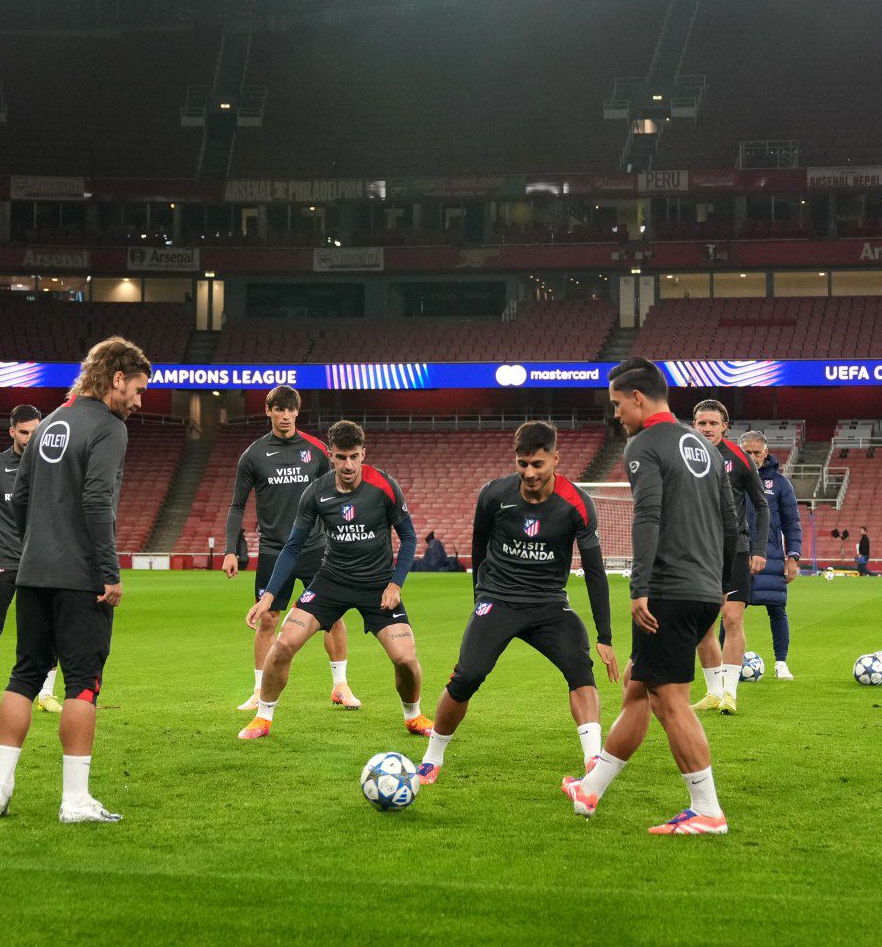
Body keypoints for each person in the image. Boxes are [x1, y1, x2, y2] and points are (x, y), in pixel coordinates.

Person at [561, 358, 737, 835]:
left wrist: (640, 586)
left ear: (637, 398)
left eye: (618, 403)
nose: (616, 413)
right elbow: (730, 521)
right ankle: (590, 788)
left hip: (668, 589)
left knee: (668, 699)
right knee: (637, 685)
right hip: (703, 588)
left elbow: (648, 515)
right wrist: (720, 584)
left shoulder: (644, 445)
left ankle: (707, 811)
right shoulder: (706, 447)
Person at [0, 337, 148, 824]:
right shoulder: (110, 427)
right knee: (82, 683)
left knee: (24, 674)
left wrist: (39, 544)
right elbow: (98, 502)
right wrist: (109, 572)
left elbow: (19, 498)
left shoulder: (50, 422)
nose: (140, 401)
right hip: (82, 578)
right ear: (116, 379)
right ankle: (75, 800)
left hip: (33, 572)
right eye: (138, 389)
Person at [417, 421, 616, 784]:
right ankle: (432, 757)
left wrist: (605, 636)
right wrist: (480, 597)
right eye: (522, 463)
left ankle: (593, 760)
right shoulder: (494, 494)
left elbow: (594, 570)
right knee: (467, 676)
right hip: (499, 599)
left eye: (538, 464)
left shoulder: (577, 503)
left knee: (580, 669)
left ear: (555, 459)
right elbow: (479, 545)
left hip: (549, 603)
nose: (529, 473)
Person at [239, 420, 431, 740]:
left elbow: (409, 537)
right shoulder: (316, 492)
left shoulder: (384, 486)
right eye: (341, 457)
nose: (348, 465)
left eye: (354, 456)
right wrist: (269, 595)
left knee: (406, 659)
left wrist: (395, 584)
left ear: (363, 454)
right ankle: (263, 717)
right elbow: (293, 546)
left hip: (377, 585)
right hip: (331, 581)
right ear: (330, 456)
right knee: (284, 644)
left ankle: (414, 716)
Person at [222, 385, 358, 711]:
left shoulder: (315, 450)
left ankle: (340, 685)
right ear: (268, 411)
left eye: (291, 409)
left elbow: (336, 495)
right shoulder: (253, 455)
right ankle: (259, 690)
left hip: (315, 547)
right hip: (273, 549)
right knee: (268, 619)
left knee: (332, 616)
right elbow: (237, 505)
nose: (285, 415)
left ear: (298, 411)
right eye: (279, 409)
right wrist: (229, 549)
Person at [0, 404, 63, 715]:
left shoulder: (53, 466)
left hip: (42, 562)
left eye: (36, 431)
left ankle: (46, 694)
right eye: (24, 432)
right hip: (3, 562)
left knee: (50, 630)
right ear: (12, 432)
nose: (30, 437)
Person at [689, 399, 766, 714]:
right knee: (703, 625)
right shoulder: (682, 457)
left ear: (725, 426)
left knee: (732, 618)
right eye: (702, 423)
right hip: (696, 551)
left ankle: (730, 694)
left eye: (713, 423)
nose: (707, 428)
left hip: (734, 550)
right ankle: (713, 692)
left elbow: (761, 504)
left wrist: (759, 550)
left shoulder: (740, 458)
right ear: (694, 425)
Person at [743, 431, 801, 680]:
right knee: (731, 613)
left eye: (756, 452)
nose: (752, 456)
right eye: (747, 452)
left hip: (772, 557)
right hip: (738, 556)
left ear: (766, 453)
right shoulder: (730, 479)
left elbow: (792, 523)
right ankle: (728, 665)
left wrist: (793, 557)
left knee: (777, 610)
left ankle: (781, 663)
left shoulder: (780, 484)